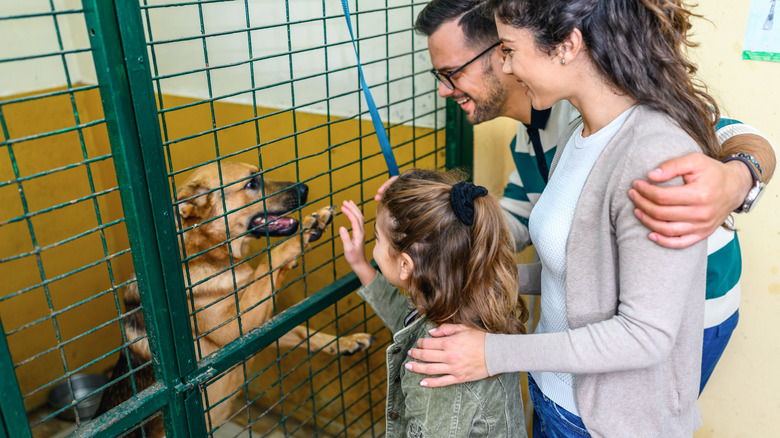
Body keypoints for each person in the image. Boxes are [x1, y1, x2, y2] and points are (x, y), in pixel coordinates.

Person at [399, 0, 754, 436]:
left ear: (565, 45)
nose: (507, 67)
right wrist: (446, 247)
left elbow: (643, 335)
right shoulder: (570, 134)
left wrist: (741, 176)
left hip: (662, 349)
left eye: (509, 49)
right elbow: (564, 253)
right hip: (561, 388)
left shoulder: (649, 147)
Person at [339, 169, 529, 438]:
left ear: (405, 265)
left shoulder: (437, 365)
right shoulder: (469, 301)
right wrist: (360, 264)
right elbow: (409, 324)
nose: (375, 247)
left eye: (377, 239)